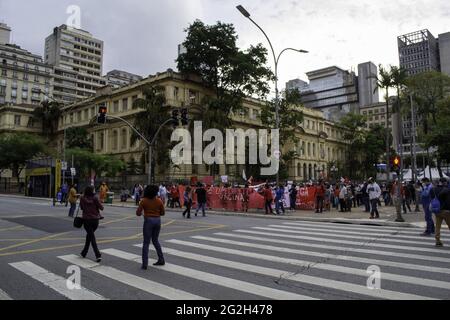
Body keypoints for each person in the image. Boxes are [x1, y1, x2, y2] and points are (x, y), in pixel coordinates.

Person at [136, 185, 165, 269]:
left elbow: (138, 213)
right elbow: (163, 213)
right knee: (155, 240)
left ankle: (145, 264)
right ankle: (161, 259)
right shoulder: (159, 201)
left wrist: (144, 213)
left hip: (148, 221)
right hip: (157, 221)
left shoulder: (144, 201)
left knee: (146, 242)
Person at [79, 186, 104, 262]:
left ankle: (97, 254)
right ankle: (84, 252)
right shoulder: (95, 198)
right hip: (95, 221)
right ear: (92, 191)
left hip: (86, 220)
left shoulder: (82, 198)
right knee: (90, 236)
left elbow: (81, 208)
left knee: (91, 236)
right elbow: (101, 208)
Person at [436, 178, 450, 247]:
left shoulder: (434, 189)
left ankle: (437, 240)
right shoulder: (447, 190)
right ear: (445, 182)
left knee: (437, 226)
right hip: (446, 210)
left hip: (437, 210)